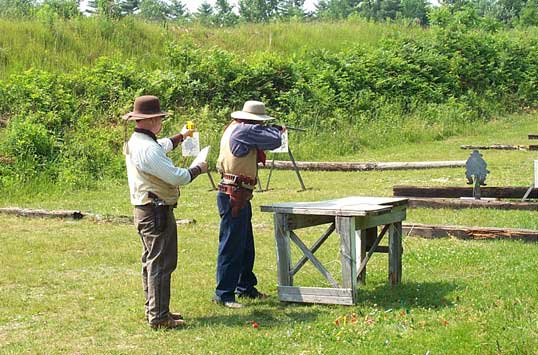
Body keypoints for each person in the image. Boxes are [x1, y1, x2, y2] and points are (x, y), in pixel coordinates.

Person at [123, 95, 208, 329]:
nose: (161, 122)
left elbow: (162, 146)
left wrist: (181, 136)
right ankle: (159, 317)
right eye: (159, 118)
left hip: (148, 209)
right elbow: (176, 176)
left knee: (153, 261)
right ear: (151, 120)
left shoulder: (139, 141)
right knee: (161, 263)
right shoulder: (147, 148)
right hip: (155, 211)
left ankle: (156, 309)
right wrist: (198, 168)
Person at [214, 100, 285, 308]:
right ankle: (224, 294)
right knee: (231, 246)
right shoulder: (244, 130)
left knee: (244, 245)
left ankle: (244, 286)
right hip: (234, 194)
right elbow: (275, 140)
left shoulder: (236, 127)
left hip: (239, 193)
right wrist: (275, 130)